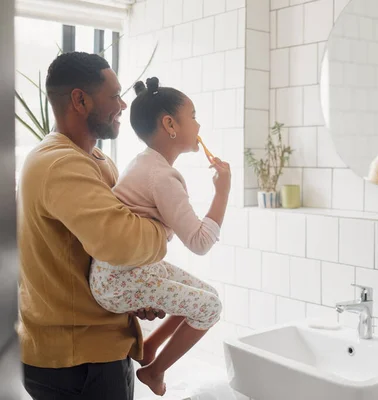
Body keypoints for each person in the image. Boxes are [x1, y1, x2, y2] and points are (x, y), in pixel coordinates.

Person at [18, 52, 168, 400]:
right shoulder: (59, 164)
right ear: (79, 100)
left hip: (93, 352)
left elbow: (95, 259)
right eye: (115, 95)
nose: (123, 105)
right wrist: (168, 224)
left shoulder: (96, 160)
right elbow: (123, 243)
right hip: (77, 361)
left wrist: (134, 295)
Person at [89, 77, 230, 396]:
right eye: (192, 115)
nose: (198, 124)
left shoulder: (146, 163)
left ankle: (149, 348)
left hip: (119, 271)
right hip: (118, 280)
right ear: (170, 124)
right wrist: (223, 192)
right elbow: (200, 243)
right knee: (208, 307)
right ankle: (155, 372)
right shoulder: (162, 176)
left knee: (206, 294)